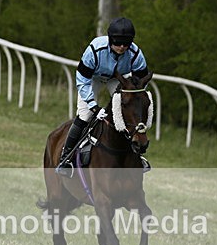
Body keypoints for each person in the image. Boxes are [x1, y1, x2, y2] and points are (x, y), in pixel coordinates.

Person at [56, 17, 150, 177]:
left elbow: (141, 84)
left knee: (128, 116)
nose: (122, 47)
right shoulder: (95, 49)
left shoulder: (135, 54)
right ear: (110, 39)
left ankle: (137, 157)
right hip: (93, 78)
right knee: (85, 115)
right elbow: (82, 79)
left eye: (126, 43)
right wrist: (93, 105)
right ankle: (66, 157)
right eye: (118, 43)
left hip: (118, 79)